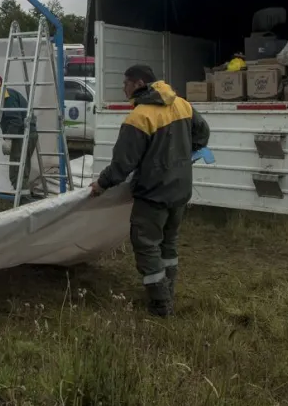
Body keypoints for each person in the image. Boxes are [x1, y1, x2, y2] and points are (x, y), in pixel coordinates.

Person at [90, 64, 210, 317]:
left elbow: (123, 164)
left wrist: (101, 184)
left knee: (146, 244)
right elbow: (203, 132)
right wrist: (183, 156)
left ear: (139, 84)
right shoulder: (182, 105)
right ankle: (169, 290)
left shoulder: (140, 117)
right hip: (180, 189)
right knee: (169, 242)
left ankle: (160, 304)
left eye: (126, 83)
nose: (123, 87)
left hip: (154, 193)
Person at [0, 73, 37, 193]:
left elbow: (15, 119)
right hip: (23, 134)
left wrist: (9, 138)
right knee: (20, 170)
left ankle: (24, 200)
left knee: (17, 172)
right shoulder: (5, 95)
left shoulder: (7, 95)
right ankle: (23, 198)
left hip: (22, 136)